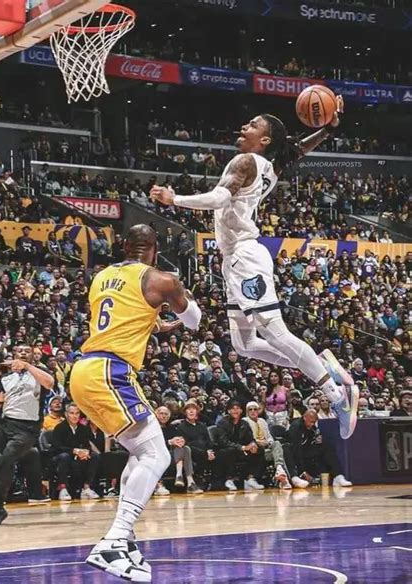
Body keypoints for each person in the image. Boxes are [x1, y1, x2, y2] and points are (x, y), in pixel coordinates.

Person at [151, 96, 359, 441]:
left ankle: (337, 396)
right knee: (244, 344)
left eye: (252, 125)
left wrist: (174, 199)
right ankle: (322, 365)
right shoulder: (269, 168)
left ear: (264, 139)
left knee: (275, 334)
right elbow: (297, 150)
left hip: (245, 257)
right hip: (234, 260)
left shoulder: (245, 160)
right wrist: (327, 129)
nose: (243, 127)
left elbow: (219, 198)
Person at [69, 224, 201, 581]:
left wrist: (161, 325)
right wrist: (184, 298)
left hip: (84, 372)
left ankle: (125, 542)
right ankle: (113, 541)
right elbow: (194, 321)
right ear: (155, 249)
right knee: (158, 455)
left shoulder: (101, 278)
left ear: (123, 247)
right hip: (111, 372)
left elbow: (128, 320)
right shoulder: (162, 280)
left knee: (139, 453)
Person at [0, 346, 54, 526]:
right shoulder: (6, 378)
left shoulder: (38, 373)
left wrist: (27, 366)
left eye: (27, 351)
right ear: (14, 355)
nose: (23, 353)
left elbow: (49, 383)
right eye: (19, 351)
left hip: (27, 428)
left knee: (6, 460)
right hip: (5, 424)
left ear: (32, 356)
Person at [288, 410, 352, 488]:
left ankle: (338, 476)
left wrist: (318, 438)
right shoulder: (296, 427)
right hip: (295, 453)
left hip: (306, 451)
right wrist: (302, 471)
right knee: (291, 451)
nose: (312, 424)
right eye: (311, 422)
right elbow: (296, 449)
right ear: (305, 418)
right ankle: (297, 477)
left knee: (327, 446)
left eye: (314, 422)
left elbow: (316, 440)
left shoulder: (312, 428)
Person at [52, 403, 100, 501]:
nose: (75, 416)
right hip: (61, 456)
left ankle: (86, 488)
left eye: (77, 413)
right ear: (66, 414)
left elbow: (86, 445)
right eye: (72, 413)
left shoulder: (83, 428)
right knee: (64, 456)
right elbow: (57, 447)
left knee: (94, 456)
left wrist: (85, 452)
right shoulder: (59, 428)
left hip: (78, 456)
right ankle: (63, 489)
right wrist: (74, 451)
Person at [216, 399, 265, 492]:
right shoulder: (222, 423)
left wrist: (253, 445)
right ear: (228, 411)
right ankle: (229, 480)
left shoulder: (244, 424)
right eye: (233, 408)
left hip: (241, 450)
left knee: (259, 449)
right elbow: (223, 442)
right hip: (225, 450)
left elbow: (251, 438)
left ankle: (251, 478)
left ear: (241, 411)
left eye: (237, 408)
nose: (235, 410)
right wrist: (242, 447)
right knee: (230, 450)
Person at [244, 400, 295, 489]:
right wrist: (258, 442)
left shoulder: (262, 421)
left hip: (266, 447)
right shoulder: (244, 421)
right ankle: (286, 479)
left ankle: (279, 469)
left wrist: (269, 442)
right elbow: (246, 438)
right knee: (280, 453)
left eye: (255, 409)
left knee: (277, 444)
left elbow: (269, 436)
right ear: (247, 412)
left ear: (258, 411)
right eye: (250, 409)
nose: (253, 411)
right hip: (253, 449)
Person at [154, 405, 203, 496]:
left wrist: (181, 441)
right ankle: (186, 481)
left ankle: (187, 480)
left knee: (185, 448)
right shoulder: (152, 428)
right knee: (183, 450)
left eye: (166, 414)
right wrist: (169, 442)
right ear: (156, 414)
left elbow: (178, 440)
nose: (164, 416)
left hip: (172, 455)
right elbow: (152, 444)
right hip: (157, 454)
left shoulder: (171, 428)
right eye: (161, 413)